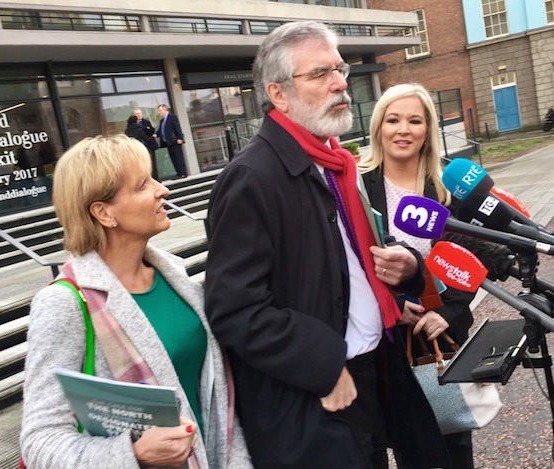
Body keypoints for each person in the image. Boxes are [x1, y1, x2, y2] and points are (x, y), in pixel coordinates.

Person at [204, 21, 450, 469]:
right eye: (320, 74)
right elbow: (234, 308)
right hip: (314, 399)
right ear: (278, 94)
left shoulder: (335, 162)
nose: (340, 83)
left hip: (374, 373)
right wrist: (321, 366)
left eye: (339, 68)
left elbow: (344, 266)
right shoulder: (251, 178)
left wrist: (403, 276)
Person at [20, 135, 251, 468]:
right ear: (103, 212)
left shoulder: (173, 276)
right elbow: (40, 440)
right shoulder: (64, 304)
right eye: (143, 185)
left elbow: (215, 397)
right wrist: (134, 454)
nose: (163, 189)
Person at [358, 83, 476, 468]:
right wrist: (391, 304)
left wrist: (452, 312)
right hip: (386, 337)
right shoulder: (359, 188)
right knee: (405, 445)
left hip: (440, 332)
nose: (403, 129)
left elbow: (468, 260)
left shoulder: (446, 191)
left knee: (452, 442)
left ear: (428, 129)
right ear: (378, 128)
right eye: (393, 120)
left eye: (414, 120)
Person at [156, 104, 188, 178]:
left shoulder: (172, 117)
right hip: (168, 143)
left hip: (175, 141)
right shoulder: (162, 120)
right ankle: (179, 173)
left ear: (165, 110)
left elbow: (177, 128)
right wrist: (155, 135)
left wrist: (180, 138)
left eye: (160, 110)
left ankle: (183, 173)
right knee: (173, 158)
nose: (159, 112)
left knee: (179, 157)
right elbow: (160, 131)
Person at [125, 111, 159, 180]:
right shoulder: (139, 130)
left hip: (134, 151)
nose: (139, 115)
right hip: (143, 149)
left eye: (140, 113)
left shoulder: (127, 131)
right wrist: (153, 137)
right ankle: (153, 179)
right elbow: (146, 139)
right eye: (137, 114)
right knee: (150, 164)